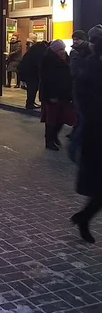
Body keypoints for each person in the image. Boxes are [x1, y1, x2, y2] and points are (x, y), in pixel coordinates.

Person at [71, 34, 102, 243]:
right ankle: (84, 218)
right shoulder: (90, 69)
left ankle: (83, 217)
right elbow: (84, 104)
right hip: (97, 135)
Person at [39, 39, 76, 151]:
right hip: (52, 95)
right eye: (60, 49)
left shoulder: (67, 59)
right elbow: (46, 80)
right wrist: (51, 95)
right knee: (52, 119)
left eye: (63, 49)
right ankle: (49, 140)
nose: (63, 52)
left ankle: (54, 137)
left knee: (62, 118)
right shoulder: (48, 60)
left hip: (64, 94)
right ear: (54, 51)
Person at [68, 29, 93, 162]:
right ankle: (74, 144)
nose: (75, 41)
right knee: (83, 119)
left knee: (82, 119)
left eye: (77, 39)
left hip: (82, 89)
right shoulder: (76, 53)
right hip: (79, 89)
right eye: (74, 39)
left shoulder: (87, 51)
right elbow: (74, 71)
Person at [17, 37, 48, 110]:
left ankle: (31, 102)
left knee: (32, 87)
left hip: (27, 71)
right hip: (31, 72)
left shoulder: (35, 49)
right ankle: (30, 103)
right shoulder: (40, 50)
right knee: (32, 87)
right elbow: (39, 63)